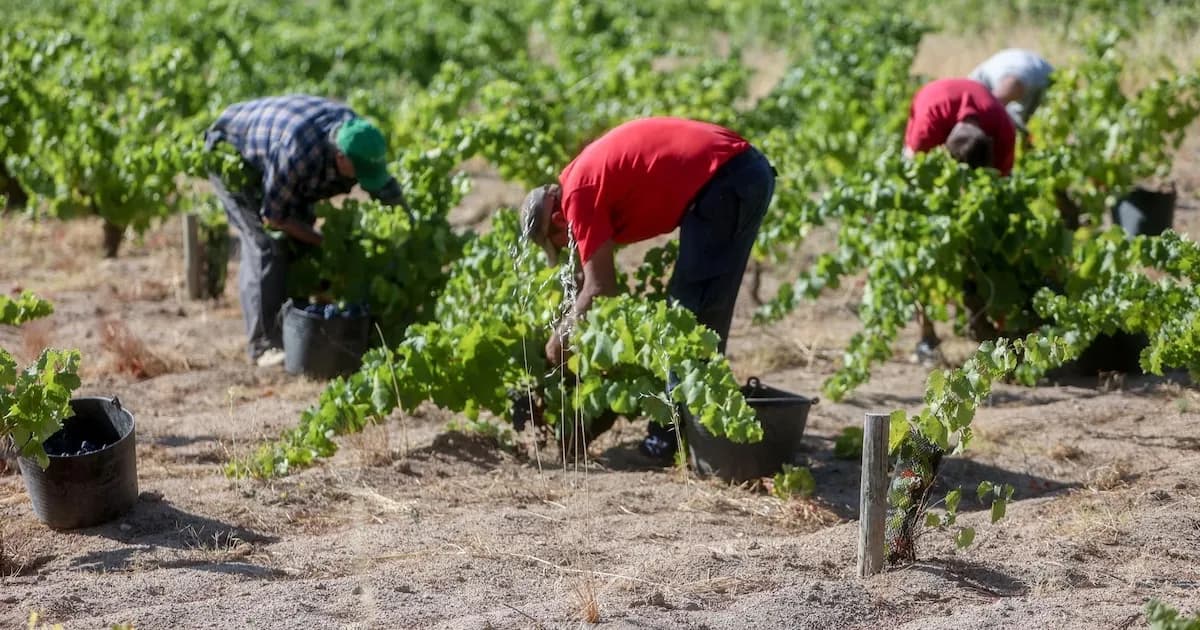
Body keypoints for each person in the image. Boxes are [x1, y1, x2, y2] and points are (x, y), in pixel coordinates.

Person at [520, 117, 775, 462]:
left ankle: (668, 438)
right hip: (740, 172)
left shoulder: (577, 196)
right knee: (706, 308)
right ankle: (693, 434)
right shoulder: (583, 181)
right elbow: (591, 279)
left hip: (727, 180)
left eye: (560, 243)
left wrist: (559, 339)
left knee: (687, 314)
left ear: (556, 221)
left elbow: (600, 288)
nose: (568, 248)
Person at [204, 95, 407, 367]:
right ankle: (263, 345)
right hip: (234, 153)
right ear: (341, 158)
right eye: (359, 172)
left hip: (283, 159)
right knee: (267, 246)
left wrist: (406, 225)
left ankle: (293, 327)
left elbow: (386, 191)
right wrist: (322, 241)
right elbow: (274, 217)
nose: (362, 180)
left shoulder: (358, 136)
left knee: (299, 244)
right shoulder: (297, 151)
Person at [903, 79, 1017, 363]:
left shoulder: (1003, 131)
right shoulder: (926, 132)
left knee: (994, 232)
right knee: (916, 242)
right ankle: (926, 335)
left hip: (978, 114)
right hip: (931, 105)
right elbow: (912, 185)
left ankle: (989, 317)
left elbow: (1002, 191)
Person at [904, 78, 1017, 176]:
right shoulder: (927, 127)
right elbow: (913, 164)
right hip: (933, 94)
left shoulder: (1003, 132)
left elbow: (1002, 176)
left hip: (979, 99)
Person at [969, 49, 1054, 132]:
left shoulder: (1014, 79)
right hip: (1034, 75)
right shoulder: (975, 84)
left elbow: (1014, 83)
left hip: (1036, 78)